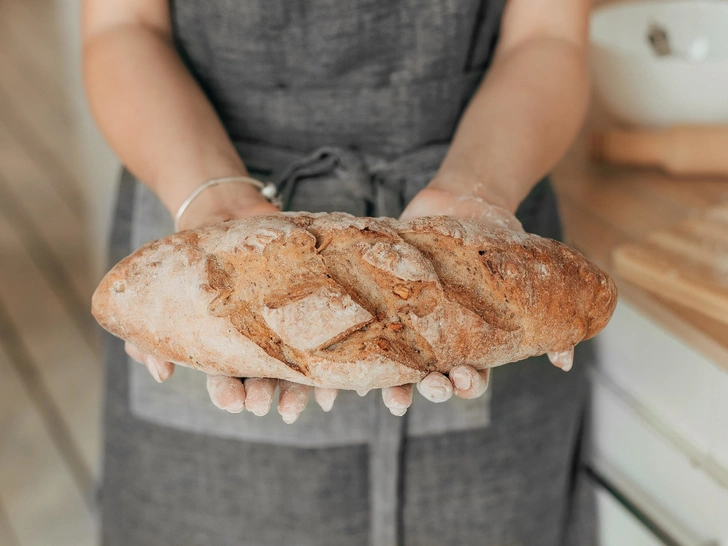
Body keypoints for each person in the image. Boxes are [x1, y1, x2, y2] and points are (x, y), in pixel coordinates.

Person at [83, 0, 593, 544]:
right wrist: (214, 201)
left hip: (486, 212)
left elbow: (548, 35)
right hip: (199, 213)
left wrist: (478, 189)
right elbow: (123, 26)